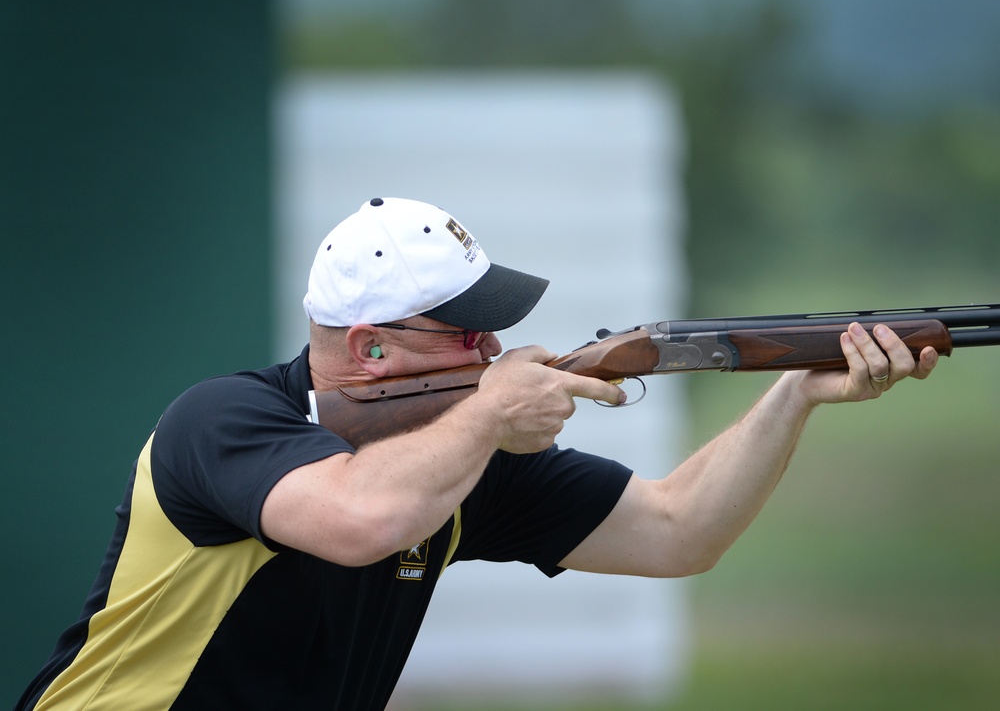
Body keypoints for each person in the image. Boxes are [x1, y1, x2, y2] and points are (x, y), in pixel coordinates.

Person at [18, 197, 938, 710]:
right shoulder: (219, 420)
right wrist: (490, 416)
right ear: (371, 349)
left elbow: (677, 531)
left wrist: (796, 392)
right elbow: (362, 516)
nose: (494, 355)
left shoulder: (459, 456)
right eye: (467, 335)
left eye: (494, 334)